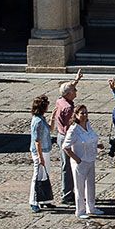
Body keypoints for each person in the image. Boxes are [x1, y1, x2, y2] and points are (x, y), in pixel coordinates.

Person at [61, 104, 101, 219]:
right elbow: (66, 147)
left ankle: (91, 207)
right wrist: (76, 158)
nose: (84, 115)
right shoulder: (73, 130)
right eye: (82, 113)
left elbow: (90, 138)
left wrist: (97, 145)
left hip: (90, 159)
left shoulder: (88, 125)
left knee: (91, 185)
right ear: (76, 115)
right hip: (80, 162)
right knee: (79, 187)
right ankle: (80, 210)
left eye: (85, 112)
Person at [52, 71, 83, 205]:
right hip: (67, 137)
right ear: (69, 94)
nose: (76, 91)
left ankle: (68, 191)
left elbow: (67, 90)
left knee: (66, 165)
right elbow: (71, 126)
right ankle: (67, 194)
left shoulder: (60, 101)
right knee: (69, 166)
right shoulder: (69, 108)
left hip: (60, 136)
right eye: (74, 90)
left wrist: (76, 80)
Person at [29, 95, 52, 213]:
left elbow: (50, 128)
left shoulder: (41, 118)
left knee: (44, 175)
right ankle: (33, 201)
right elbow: (37, 140)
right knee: (37, 176)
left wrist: (52, 117)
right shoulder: (37, 121)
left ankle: (44, 200)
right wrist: (40, 156)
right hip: (40, 151)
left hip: (46, 149)